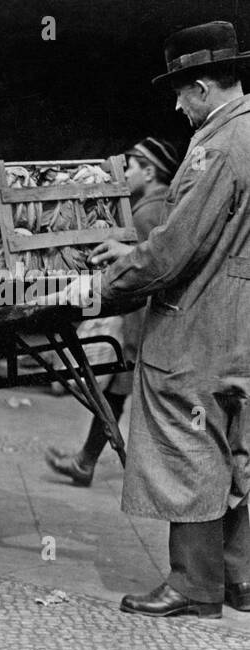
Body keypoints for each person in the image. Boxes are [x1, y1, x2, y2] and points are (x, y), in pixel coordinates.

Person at [77, 22, 250, 618]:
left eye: (181, 93)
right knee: (238, 448)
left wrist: (107, 282)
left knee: (188, 445)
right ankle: (239, 578)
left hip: (199, 327)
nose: (177, 106)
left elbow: (176, 249)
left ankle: (193, 584)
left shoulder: (216, 147)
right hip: (242, 325)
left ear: (203, 87)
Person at [46, 136, 179, 485]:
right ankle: (86, 462)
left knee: (127, 394)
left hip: (143, 321)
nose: (125, 172)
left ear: (150, 172)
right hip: (144, 321)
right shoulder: (158, 205)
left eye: (132, 166)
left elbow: (145, 269)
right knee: (117, 393)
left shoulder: (150, 212)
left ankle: (98, 464)